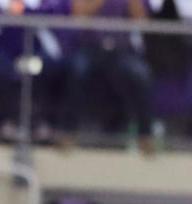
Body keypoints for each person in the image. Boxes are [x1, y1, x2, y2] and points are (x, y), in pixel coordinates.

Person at [61, 0, 156, 152]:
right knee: (77, 71)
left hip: (121, 50)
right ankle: (68, 132)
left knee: (142, 75)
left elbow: (142, 21)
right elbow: (77, 15)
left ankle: (146, 135)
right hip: (90, 47)